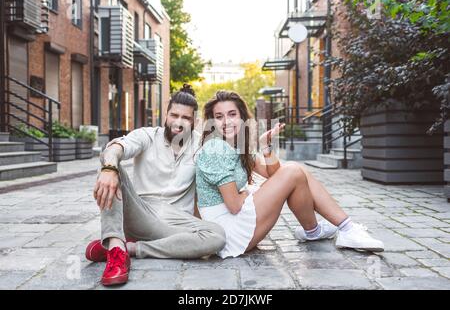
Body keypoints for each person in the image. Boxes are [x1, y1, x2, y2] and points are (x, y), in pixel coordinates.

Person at [195, 90, 384, 259]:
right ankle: (346, 229)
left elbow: (276, 175)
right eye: (219, 117)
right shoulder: (215, 148)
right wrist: (247, 193)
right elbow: (235, 206)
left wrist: (265, 147)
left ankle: (317, 230)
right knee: (294, 169)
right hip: (228, 232)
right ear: (212, 122)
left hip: (237, 226)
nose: (226, 122)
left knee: (297, 171)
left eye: (232, 114)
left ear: (242, 117)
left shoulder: (237, 147)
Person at [86, 84, 226, 286]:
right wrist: (109, 168)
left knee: (217, 236)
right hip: (141, 212)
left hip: (175, 222)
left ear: (195, 121)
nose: (178, 123)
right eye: (174, 115)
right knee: (109, 163)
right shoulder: (147, 135)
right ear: (165, 116)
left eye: (186, 118)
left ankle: (130, 249)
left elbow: (229, 161)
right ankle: (116, 249)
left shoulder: (202, 144)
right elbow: (117, 147)